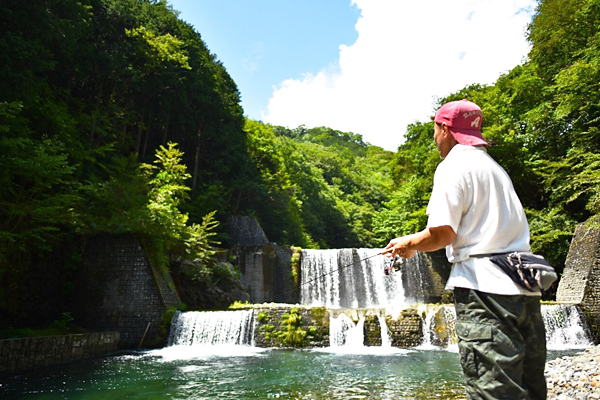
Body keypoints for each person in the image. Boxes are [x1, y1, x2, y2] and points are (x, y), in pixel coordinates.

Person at [384, 99, 547, 400]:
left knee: (493, 388)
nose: (434, 139)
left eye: (435, 130)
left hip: (485, 291)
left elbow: (443, 233)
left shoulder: (453, 166)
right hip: (525, 286)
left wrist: (408, 244)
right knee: (530, 385)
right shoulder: (494, 168)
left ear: (445, 129)